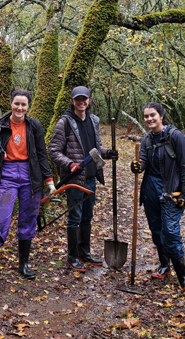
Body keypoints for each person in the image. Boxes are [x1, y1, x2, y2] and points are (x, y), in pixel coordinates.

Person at [0, 89, 56, 280]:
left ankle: (24, 265)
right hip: (7, 175)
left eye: (24, 104)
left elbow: (41, 154)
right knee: (1, 220)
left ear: (28, 106)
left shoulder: (34, 126)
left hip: (31, 176)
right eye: (17, 103)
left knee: (28, 220)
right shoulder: (0, 125)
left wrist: (49, 181)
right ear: (11, 104)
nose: (20, 108)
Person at [48, 86, 118, 272]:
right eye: (77, 99)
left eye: (84, 99)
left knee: (87, 216)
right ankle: (72, 257)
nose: (81, 102)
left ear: (89, 100)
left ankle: (84, 252)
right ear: (72, 101)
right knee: (75, 217)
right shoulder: (65, 123)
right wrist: (70, 164)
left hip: (91, 177)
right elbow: (53, 150)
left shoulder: (93, 120)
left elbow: (97, 148)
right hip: (74, 179)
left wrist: (109, 153)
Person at [130, 102, 185, 293]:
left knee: (171, 231)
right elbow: (142, 162)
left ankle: (183, 277)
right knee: (157, 229)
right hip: (150, 188)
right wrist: (137, 167)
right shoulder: (146, 139)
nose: (149, 119)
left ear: (161, 115)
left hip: (171, 189)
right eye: (146, 116)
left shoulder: (176, 136)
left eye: (153, 115)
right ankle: (164, 266)